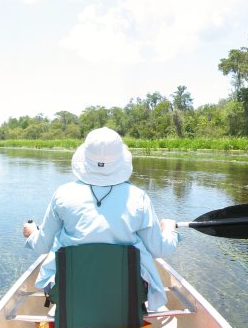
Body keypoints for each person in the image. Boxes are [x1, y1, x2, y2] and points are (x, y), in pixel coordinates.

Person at [22, 127, 180, 310]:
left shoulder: (63, 195)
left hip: (70, 294)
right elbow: (158, 249)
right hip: (126, 296)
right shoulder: (139, 198)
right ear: (120, 161)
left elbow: (43, 245)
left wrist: (34, 233)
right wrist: (169, 230)